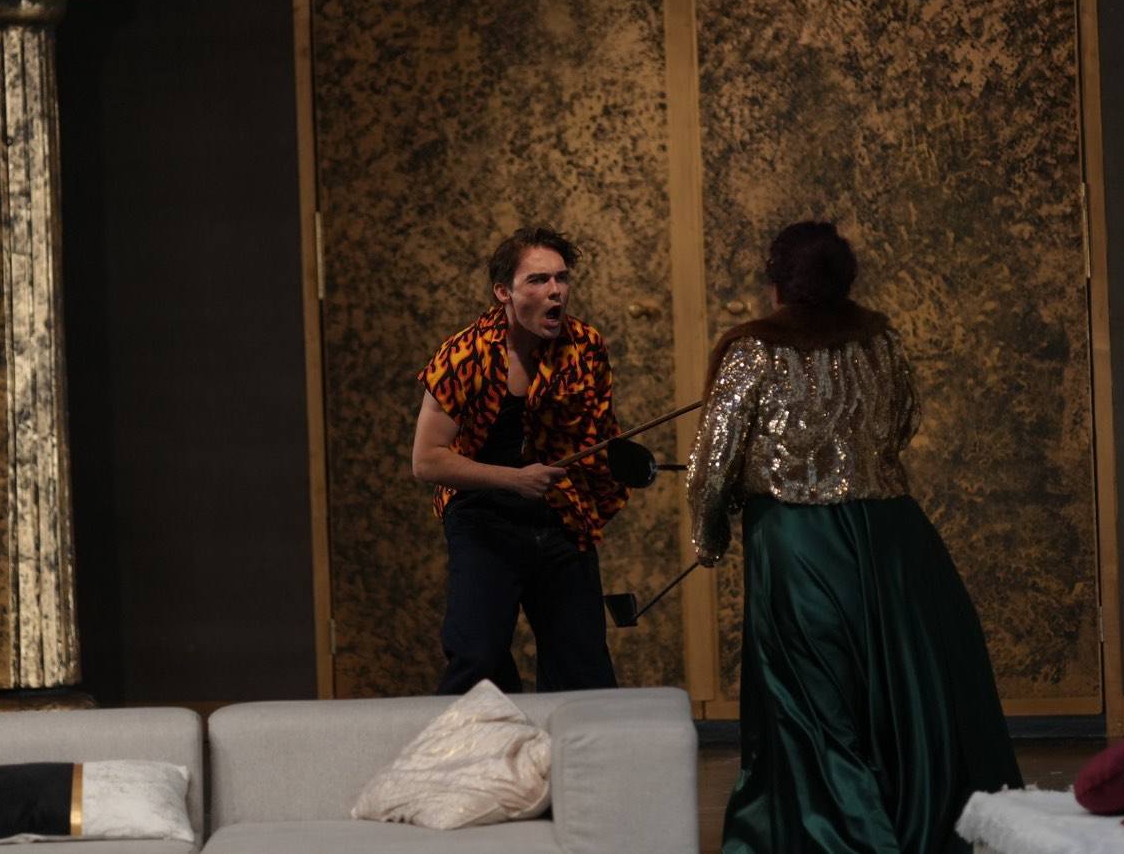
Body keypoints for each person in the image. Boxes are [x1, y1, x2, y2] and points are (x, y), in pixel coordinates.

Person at [688, 220, 1021, 854]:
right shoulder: (881, 341)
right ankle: (906, 820)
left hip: (796, 541)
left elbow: (713, 459)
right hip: (891, 536)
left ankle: (839, 834)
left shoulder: (752, 350)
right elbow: (904, 421)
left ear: (778, 283)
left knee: (813, 695)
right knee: (890, 687)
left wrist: (710, 535)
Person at [412, 226, 627, 694]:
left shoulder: (585, 346)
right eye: (538, 280)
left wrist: (619, 471)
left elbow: (598, 435)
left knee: (583, 667)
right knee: (477, 658)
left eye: (561, 278)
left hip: (557, 511)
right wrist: (513, 480)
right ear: (503, 292)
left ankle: (576, 742)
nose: (555, 291)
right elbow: (426, 462)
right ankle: (474, 742)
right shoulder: (463, 356)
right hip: (482, 514)